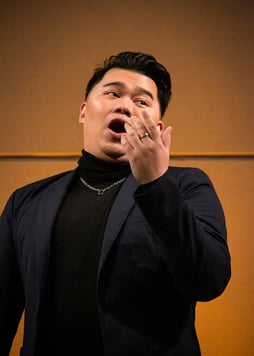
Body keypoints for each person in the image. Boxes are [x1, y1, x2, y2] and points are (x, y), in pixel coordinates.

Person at [0, 51, 231, 356]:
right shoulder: (27, 201)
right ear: (84, 111)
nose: (125, 105)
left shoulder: (186, 185)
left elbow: (208, 280)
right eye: (113, 93)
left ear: (158, 127)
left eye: (142, 101)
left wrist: (156, 184)